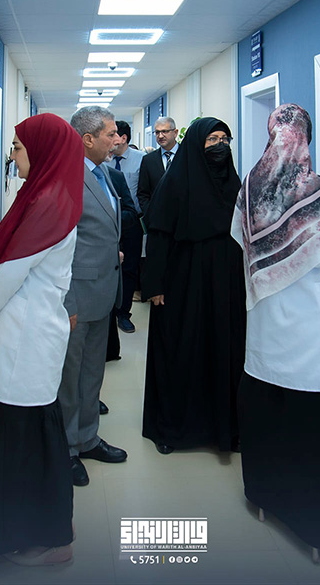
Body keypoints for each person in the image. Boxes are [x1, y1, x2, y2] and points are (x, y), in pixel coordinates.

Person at [230, 103, 320, 564]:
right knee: (315, 432)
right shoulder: (312, 187)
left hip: (266, 320)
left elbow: (240, 238)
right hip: (310, 326)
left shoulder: (250, 184)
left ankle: (264, 498)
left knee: (267, 416)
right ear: (305, 135)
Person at [0, 113, 82, 566]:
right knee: (26, 431)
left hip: (25, 334)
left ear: (42, 150)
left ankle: (44, 539)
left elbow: (11, 272)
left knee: (24, 438)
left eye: (17, 146)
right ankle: (37, 528)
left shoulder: (47, 201)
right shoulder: (46, 194)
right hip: (27, 330)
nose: (12, 154)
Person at [141, 117, 245, 455]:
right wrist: (155, 284)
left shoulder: (234, 184)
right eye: (212, 139)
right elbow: (158, 236)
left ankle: (226, 428)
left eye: (224, 139)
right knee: (181, 350)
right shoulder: (175, 183)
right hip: (182, 282)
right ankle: (171, 428)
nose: (219, 146)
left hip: (225, 283)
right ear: (197, 145)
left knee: (223, 350)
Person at [60, 106, 128, 487]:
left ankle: (87, 438)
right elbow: (58, 244)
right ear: (87, 139)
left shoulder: (103, 173)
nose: (117, 140)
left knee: (91, 375)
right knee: (69, 380)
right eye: (110, 134)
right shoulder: (67, 178)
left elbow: (98, 229)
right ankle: (67, 448)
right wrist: (67, 302)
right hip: (77, 296)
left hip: (102, 292)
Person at [109, 121, 145, 333]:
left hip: (132, 223)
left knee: (129, 269)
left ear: (123, 138)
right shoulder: (103, 159)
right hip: (106, 224)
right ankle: (107, 312)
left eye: (113, 134)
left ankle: (123, 314)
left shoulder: (142, 160)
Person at [137, 116, 180, 213]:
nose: (160, 136)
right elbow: (143, 193)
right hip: (157, 217)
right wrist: (150, 214)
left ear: (175, 132)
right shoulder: (148, 160)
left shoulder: (187, 155)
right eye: (157, 132)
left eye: (164, 131)